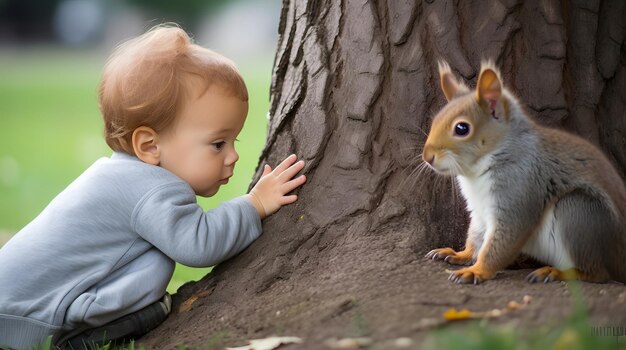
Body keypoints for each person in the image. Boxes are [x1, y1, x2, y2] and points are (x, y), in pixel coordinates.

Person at [0, 24, 306, 349]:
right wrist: (255, 204)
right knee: (159, 259)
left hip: (15, 306)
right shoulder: (152, 188)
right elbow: (198, 243)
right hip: (27, 320)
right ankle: (88, 333)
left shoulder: (119, 176)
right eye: (218, 144)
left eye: (234, 140)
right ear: (149, 146)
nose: (233, 156)